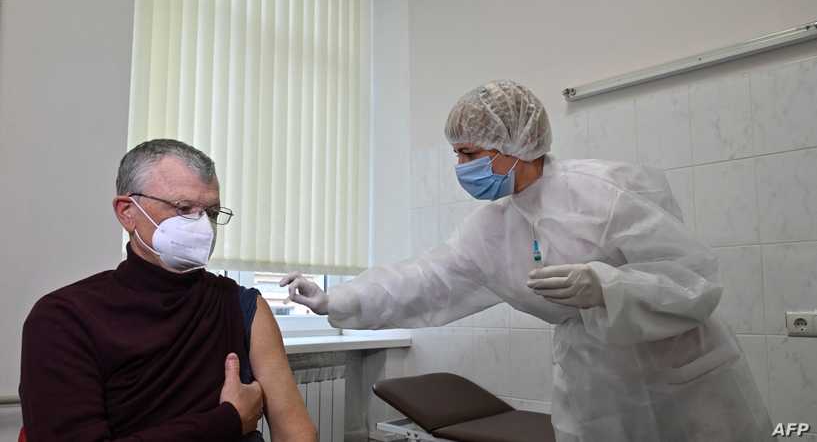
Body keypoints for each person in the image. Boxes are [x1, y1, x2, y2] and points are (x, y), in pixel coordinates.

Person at [283, 80, 773, 441]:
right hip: (595, 381)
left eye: (469, 153)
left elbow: (691, 280)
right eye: (457, 155)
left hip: (682, 376)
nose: (461, 168)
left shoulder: (607, 191)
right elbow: (427, 280)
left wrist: (606, 287)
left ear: (515, 145)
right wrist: (336, 299)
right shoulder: (492, 228)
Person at [20, 140, 316, 442]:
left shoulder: (241, 306)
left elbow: (298, 433)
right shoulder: (64, 319)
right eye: (184, 208)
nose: (203, 226)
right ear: (127, 212)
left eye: (212, 212)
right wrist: (229, 419)